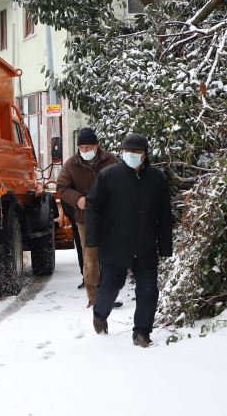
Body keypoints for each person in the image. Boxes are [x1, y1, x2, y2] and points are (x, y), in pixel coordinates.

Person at [85, 133, 173, 348]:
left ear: (145, 156)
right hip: (115, 245)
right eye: (127, 151)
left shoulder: (157, 178)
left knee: (148, 290)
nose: (131, 155)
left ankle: (142, 332)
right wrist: (93, 239)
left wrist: (165, 245)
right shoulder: (108, 176)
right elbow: (92, 206)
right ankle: (100, 314)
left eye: (136, 152)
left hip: (146, 245)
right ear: (122, 152)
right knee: (109, 287)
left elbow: (164, 214)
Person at [56, 127, 117, 305]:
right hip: (85, 218)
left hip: (108, 218)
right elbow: (62, 187)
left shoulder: (111, 160)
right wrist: (78, 199)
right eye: (81, 148)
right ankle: (94, 298)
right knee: (90, 259)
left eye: (88, 147)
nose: (85, 151)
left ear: (97, 146)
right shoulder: (71, 165)